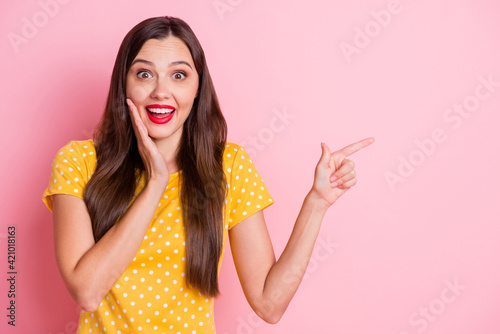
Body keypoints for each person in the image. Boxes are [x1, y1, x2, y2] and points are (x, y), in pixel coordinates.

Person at [42, 16, 374, 333]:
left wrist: (316, 203)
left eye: (179, 75)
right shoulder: (78, 162)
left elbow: (269, 304)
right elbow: (87, 292)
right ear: (123, 84)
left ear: (198, 88)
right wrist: (156, 183)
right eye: (144, 74)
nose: (161, 91)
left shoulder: (228, 166)